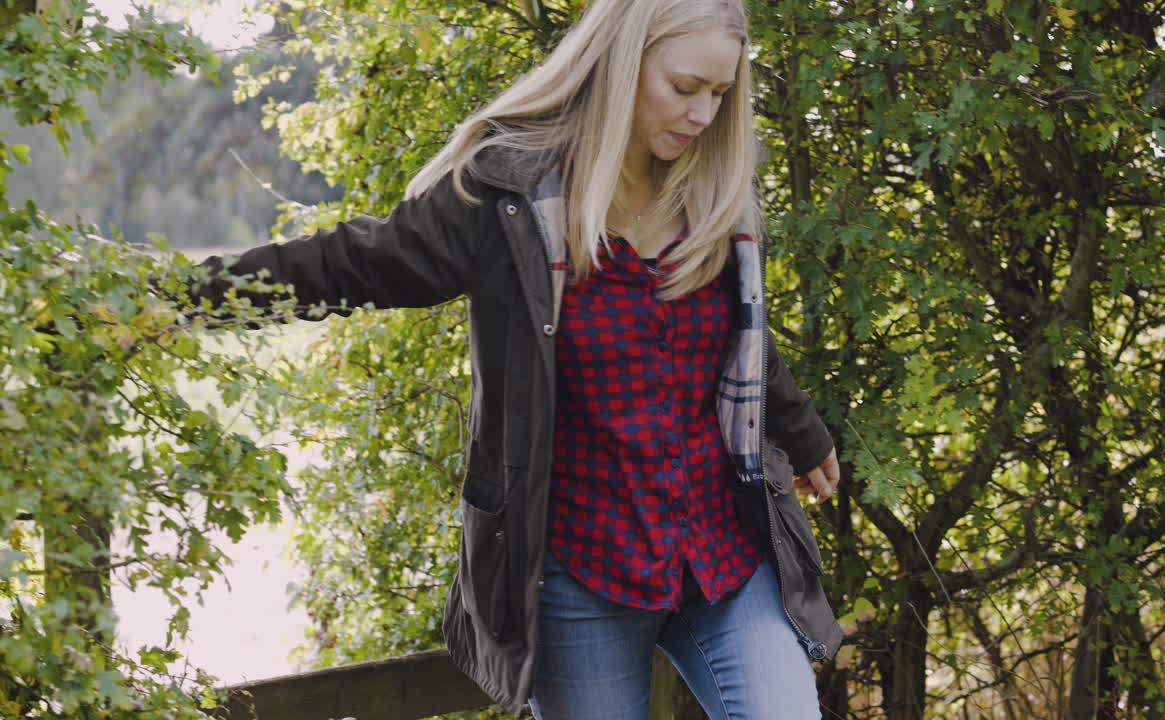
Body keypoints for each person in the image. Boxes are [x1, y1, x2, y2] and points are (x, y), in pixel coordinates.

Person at [187, 0, 843, 717]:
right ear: (621, 66)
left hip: (722, 552)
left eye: (720, 95)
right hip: (583, 569)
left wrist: (799, 428)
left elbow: (738, 337)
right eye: (685, 88)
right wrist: (178, 300)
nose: (702, 115)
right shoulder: (510, 198)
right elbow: (352, 264)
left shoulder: (716, 193)